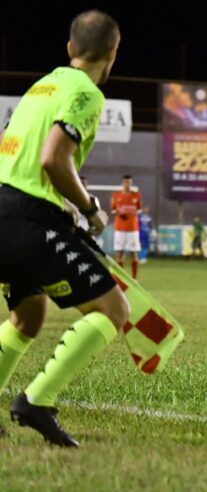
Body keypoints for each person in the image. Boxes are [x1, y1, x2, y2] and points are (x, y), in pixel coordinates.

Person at [0, 10, 126, 447]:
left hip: (6, 205)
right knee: (114, 311)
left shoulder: (43, 85)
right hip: (25, 216)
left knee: (28, 315)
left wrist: (61, 207)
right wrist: (89, 208)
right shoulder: (86, 93)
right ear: (112, 52)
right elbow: (53, 158)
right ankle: (37, 401)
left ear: (71, 48)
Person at [111, 174, 142, 278]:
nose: (127, 184)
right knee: (119, 254)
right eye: (125, 182)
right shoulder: (116, 195)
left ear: (131, 183)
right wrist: (118, 213)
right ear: (122, 183)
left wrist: (136, 212)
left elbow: (139, 209)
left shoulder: (136, 195)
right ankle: (120, 279)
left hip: (133, 229)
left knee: (134, 254)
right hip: (120, 228)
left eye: (129, 182)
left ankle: (134, 279)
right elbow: (113, 210)